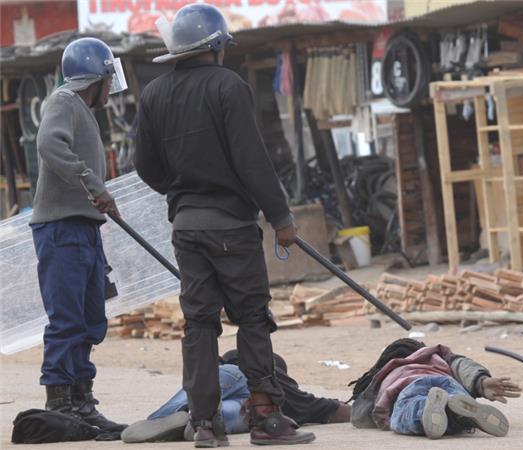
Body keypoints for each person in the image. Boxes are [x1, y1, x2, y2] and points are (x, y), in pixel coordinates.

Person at [134, 3, 313, 447]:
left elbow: (144, 165)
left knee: (199, 324)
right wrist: (280, 218)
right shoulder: (228, 87)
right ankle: (267, 419)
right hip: (231, 226)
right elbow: (252, 160)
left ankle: (206, 425)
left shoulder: (153, 94)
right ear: (215, 46)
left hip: (187, 229)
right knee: (252, 317)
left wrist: (180, 192)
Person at [30, 37, 126, 435]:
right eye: (108, 78)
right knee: (67, 320)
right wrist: (93, 184)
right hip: (62, 229)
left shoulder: (83, 109)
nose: (110, 86)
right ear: (97, 77)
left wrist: (96, 197)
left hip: (84, 229)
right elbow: (49, 144)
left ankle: (83, 403)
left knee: (90, 319)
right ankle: (60, 404)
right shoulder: (65, 101)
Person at [121, 351, 350, 443]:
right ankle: (196, 419)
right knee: (236, 416)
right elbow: (335, 410)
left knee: (200, 394)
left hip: (232, 374)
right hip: (254, 405)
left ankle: (175, 416)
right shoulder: (284, 390)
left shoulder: (233, 361)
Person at [349, 338, 521, 439]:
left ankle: (424, 408)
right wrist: (480, 382)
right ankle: (462, 415)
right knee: (452, 405)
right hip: (446, 382)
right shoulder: (438, 358)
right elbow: (462, 365)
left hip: (411, 386)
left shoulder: (390, 371)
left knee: (407, 411)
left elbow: (359, 417)